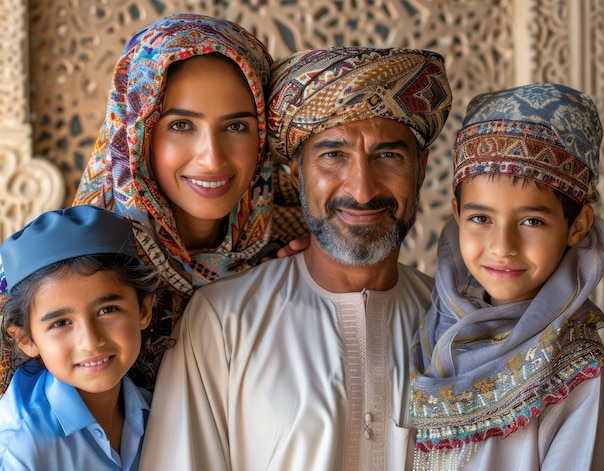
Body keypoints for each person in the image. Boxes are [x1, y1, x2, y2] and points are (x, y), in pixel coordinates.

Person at [138, 46, 452, 471]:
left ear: (423, 167)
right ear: (297, 173)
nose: (361, 189)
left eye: (388, 156)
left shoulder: (453, 324)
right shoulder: (223, 320)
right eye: (333, 155)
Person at [13, 13, 306, 393]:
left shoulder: (294, 244)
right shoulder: (75, 267)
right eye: (181, 126)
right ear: (138, 134)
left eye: (236, 126)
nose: (212, 158)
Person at [409, 83, 604, 470]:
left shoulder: (577, 378)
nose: (503, 245)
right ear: (456, 215)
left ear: (577, 226)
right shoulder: (429, 329)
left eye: (531, 221)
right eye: (481, 219)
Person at [0, 205, 160, 470]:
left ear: (144, 310)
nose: (91, 341)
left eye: (107, 310)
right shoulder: (19, 450)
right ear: (26, 340)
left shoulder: (159, 410)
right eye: (61, 323)